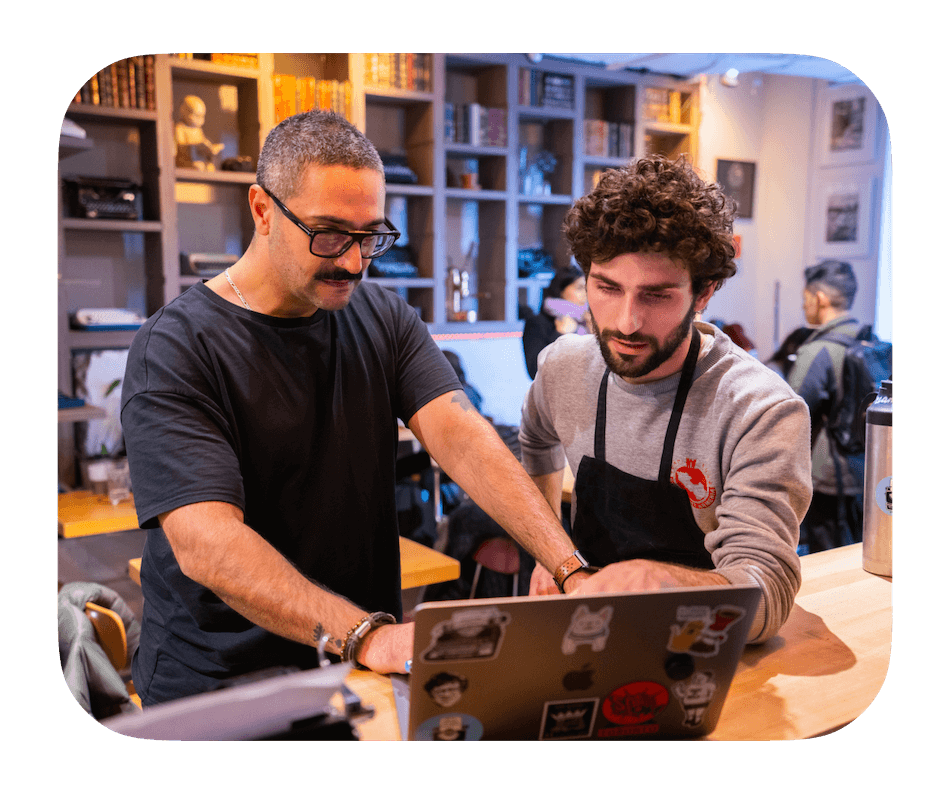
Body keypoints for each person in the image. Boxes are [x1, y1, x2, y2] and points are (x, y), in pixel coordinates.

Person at [121, 111, 582, 705]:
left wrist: (568, 565)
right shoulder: (176, 347)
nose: (355, 262)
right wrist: (363, 633)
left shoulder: (384, 318)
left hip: (351, 670)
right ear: (262, 210)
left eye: (370, 236)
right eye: (330, 234)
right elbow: (208, 543)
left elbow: (462, 438)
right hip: (220, 684)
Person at [519, 155, 812, 643]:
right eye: (607, 287)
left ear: (704, 293)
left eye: (656, 296)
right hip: (586, 633)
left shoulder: (760, 409)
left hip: (707, 649)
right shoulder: (561, 367)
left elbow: (769, 590)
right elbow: (537, 440)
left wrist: (663, 582)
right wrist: (551, 552)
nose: (626, 322)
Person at [785, 260, 864, 552]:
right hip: (866, 470)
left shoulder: (817, 351)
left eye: (806, 300)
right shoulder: (872, 342)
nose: (805, 308)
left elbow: (789, 414)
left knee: (827, 556)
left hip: (827, 474)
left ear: (819, 298)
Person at [522, 263, 590, 378]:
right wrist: (560, 335)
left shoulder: (587, 321)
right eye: (580, 288)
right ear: (561, 290)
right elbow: (535, 370)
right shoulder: (538, 322)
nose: (585, 294)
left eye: (587, 289)